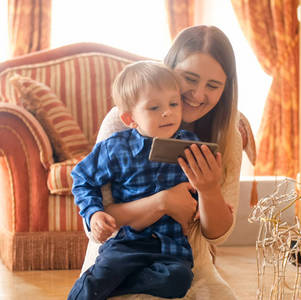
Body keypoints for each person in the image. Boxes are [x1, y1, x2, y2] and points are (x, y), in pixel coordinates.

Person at [82, 25, 242, 300]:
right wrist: (163, 201)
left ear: (225, 89)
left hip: (184, 264)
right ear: (170, 70)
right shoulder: (123, 123)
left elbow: (216, 236)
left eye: (213, 86)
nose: (198, 94)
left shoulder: (228, 138)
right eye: (189, 79)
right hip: (118, 258)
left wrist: (208, 190)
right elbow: (100, 219)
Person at [68, 61, 202, 299]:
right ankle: (102, 284)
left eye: (173, 103)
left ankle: (119, 283)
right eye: (154, 107)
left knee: (178, 280)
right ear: (130, 119)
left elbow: (200, 187)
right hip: (127, 242)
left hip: (169, 249)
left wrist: (205, 202)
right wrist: (93, 213)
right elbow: (82, 177)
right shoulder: (116, 148)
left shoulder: (191, 146)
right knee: (98, 279)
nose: (168, 112)